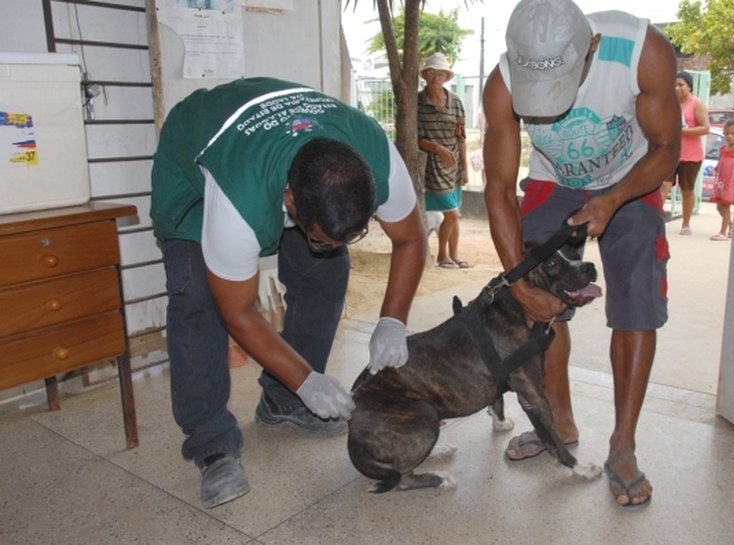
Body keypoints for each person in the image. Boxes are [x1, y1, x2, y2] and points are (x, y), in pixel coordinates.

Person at [150, 77, 427, 509]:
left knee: (326, 269)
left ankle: (281, 403)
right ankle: (211, 444)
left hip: (275, 156)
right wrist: (308, 381)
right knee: (199, 300)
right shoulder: (238, 201)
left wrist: (392, 320)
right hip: (196, 163)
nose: (328, 243)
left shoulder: (372, 150)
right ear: (289, 202)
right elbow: (238, 312)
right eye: (317, 236)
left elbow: (410, 239)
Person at [482, 0, 680, 508]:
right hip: (555, 181)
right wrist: (518, 281)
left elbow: (665, 148)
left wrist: (612, 200)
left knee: (637, 302)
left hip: (633, 180)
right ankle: (560, 423)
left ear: (590, 46)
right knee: (535, 302)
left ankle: (623, 446)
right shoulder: (502, 82)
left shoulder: (641, 50)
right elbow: (500, 188)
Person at [417, 52, 472, 269]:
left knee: (454, 214)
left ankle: (454, 255)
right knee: (453, 214)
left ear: (447, 77)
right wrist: (437, 148)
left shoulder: (456, 103)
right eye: (431, 72)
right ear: (425, 75)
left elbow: (461, 137)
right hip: (433, 167)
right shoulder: (418, 102)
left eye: (440, 73)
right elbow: (417, 138)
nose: (436, 76)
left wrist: (465, 169)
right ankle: (442, 256)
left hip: (454, 165)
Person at [660, 71, 710, 235]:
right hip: (670, 151)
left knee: (687, 189)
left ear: (689, 86)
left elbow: (705, 128)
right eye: (675, 85)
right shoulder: (670, 103)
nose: (677, 88)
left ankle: (686, 223)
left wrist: (684, 131)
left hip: (690, 154)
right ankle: (658, 219)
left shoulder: (696, 103)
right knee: (664, 185)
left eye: (681, 85)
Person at [710, 118, 734, 240]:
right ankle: (730, 224)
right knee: (719, 206)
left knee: (726, 206)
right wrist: (716, 169)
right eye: (727, 133)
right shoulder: (723, 149)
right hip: (722, 181)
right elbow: (721, 162)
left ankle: (723, 232)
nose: (729, 136)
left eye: (733, 133)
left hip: (731, 181)